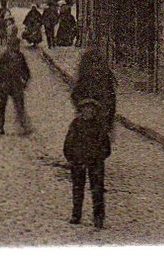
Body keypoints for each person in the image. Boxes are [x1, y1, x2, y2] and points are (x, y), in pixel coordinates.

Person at [64, 97, 111, 228]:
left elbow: (106, 147)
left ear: (95, 111)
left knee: (97, 190)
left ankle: (98, 217)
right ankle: (76, 214)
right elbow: (68, 143)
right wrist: (71, 158)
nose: (88, 112)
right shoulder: (76, 124)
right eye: (85, 109)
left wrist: (98, 157)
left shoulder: (100, 126)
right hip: (78, 161)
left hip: (95, 162)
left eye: (91, 109)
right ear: (81, 111)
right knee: (78, 189)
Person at [71, 49, 117, 133]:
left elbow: (111, 101)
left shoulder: (106, 81)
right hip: (87, 121)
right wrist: (84, 105)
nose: (96, 67)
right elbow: (75, 95)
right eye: (93, 64)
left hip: (100, 121)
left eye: (97, 64)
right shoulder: (84, 81)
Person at [0, 37, 32, 135]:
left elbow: (26, 71)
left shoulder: (20, 57)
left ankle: (23, 125)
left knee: (19, 105)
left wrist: (25, 82)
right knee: (1, 106)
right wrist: (0, 81)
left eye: (17, 46)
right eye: (13, 46)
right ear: (9, 46)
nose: (15, 48)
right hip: (4, 85)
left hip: (16, 84)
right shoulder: (3, 57)